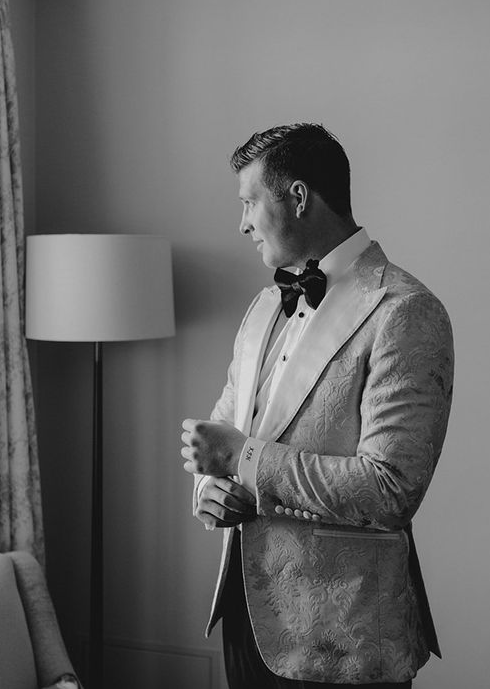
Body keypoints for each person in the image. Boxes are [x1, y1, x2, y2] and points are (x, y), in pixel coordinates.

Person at [180, 123, 454, 688]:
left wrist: (243, 460)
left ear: (298, 197)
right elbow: (226, 433)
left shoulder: (405, 311)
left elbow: (391, 489)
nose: (243, 222)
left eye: (250, 202)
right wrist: (210, 490)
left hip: (345, 638)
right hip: (246, 618)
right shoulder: (262, 306)